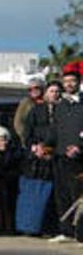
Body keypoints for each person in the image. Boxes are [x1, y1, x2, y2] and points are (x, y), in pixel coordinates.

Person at [16, 81, 59, 236]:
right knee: (31, 193)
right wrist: (34, 147)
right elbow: (26, 130)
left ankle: (48, 228)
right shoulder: (36, 110)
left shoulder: (64, 111)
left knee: (50, 195)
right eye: (52, 91)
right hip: (34, 158)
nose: (54, 94)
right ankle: (28, 226)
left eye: (57, 91)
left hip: (54, 156)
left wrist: (52, 149)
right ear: (46, 93)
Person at [50, 66, 83, 244]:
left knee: (78, 196)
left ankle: (81, 233)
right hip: (60, 155)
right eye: (66, 81)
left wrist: (79, 146)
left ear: (79, 83)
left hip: (79, 157)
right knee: (62, 195)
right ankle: (66, 231)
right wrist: (43, 146)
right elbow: (55, 130)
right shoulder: (60, 106)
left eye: (72, 81)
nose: (69, 84)